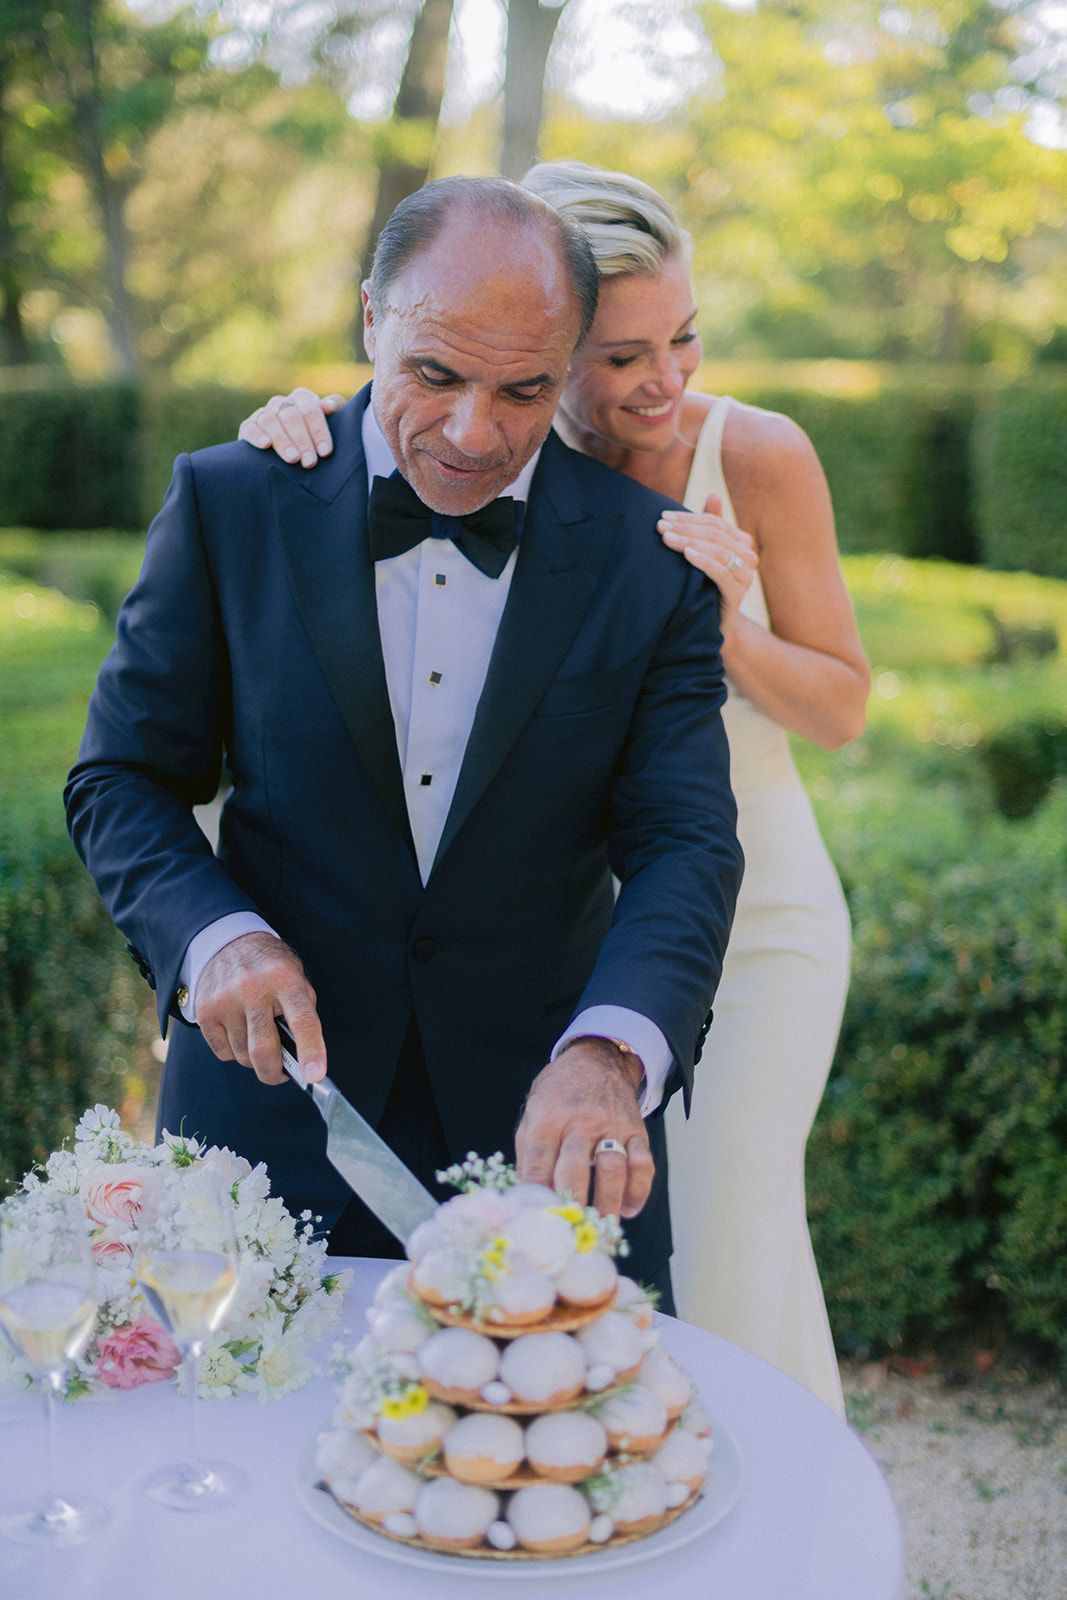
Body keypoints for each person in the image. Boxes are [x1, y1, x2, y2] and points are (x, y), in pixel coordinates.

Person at [240, 161, 869, 1415]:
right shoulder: (483, 453)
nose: (665, 380)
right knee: (573, 1269)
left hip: (750, 922)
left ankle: (773, 1525)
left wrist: (721, 618)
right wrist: (300, 433)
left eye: (683, 338)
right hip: (563, 936)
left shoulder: (753, 453)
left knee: (732, 1228)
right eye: (623, 354)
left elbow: (843, 703)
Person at [66, 175, 744, 1312]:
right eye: (434, 375)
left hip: (545, 1132)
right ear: (371, 319)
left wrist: (612, 1054)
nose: (474, 435)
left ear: (571, 360)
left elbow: (685, 843)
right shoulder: (229, 501)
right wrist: (215, 939)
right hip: (265, 1108)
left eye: (523, 391)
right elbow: (121, 776)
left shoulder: (649, 561)